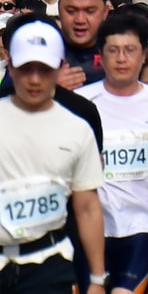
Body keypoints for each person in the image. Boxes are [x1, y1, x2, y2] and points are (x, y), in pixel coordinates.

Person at [76, 14, 148, 294]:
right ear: (101, 54)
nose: (121, 59)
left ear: (143, 55)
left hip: (141, 227)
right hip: (90, 229)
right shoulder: (82, 102)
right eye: (113, 50)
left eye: (130, 50)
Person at [0, 18, 106, 294]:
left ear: (60, 67)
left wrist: (96, 279)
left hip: (49, 263)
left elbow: (88, 207)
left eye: (44, 69)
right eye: (26, 69)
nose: (35, 79)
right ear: (10, 66)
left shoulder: (78, 128)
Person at [57, 0, 112, 88]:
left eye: (90, 11)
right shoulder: (39, 51)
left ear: (105, 11)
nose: (80, 20)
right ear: (59, 10)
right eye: (71, 11)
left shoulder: (120, 55)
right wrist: (45, 89)